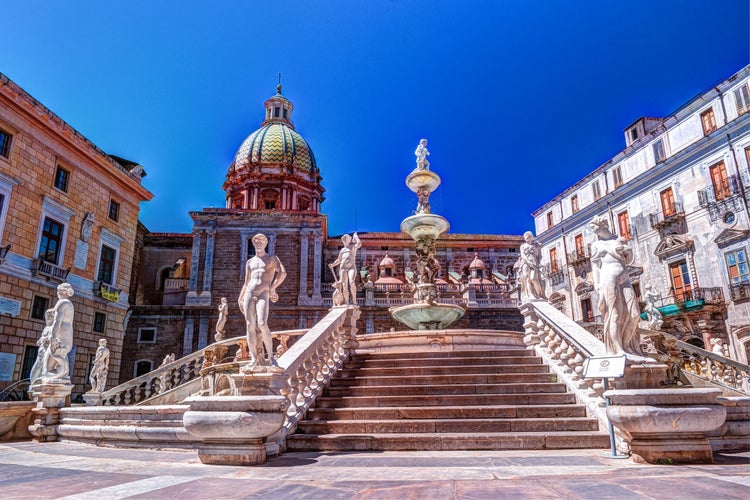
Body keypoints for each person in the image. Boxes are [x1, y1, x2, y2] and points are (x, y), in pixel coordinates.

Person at [589, 216, 649, 361]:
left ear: (602, 225)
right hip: (608, 277)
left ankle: (628, 346)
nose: (593, 231)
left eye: (594, 227)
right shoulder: (596, 245)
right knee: (615, 314)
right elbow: (595, 266)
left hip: (624, 277)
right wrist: (597, 284)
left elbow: (629, 260)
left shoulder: (619, 240)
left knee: (634, 314)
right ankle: (618, 350)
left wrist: (628, 251)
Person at [238, 233, 287, 366]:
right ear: (253, 243)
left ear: (266, 243)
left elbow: (282, 273)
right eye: (256, 241)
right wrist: (240, 298)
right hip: (249, 293)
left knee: (261, 323)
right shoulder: (250, 262)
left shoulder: (272, 259)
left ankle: (271, 357)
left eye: (262, 241)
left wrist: (272, 288)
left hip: (263, 292)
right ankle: (254, 358)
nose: (259, 243)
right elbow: (246, 282)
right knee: (250, 325)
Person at [39, 283, 76, 381]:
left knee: (46, 372)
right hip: (67, 338)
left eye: (58, 290)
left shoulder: (62, 302)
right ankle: (62, 378)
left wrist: (53, 337)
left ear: (62, 291)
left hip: (59, 338)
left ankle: (53, 387)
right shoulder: (70, 304)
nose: (57, 292)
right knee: (58, 366)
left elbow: (57, 321)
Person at [329, 232, 361, 305]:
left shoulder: (352, 247)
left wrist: (356, 237)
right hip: (342, 268)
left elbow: (359, 244)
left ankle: (354, 300)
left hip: (351, 267)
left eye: (346, 238)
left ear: (349, 240)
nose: (345, 240)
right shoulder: (342, 250)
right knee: (344, 285)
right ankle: (346, 302)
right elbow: (339, 260)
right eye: (344, 239)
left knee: (352, 282)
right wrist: (333, 264)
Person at [29, 309, 54, 383]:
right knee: (36, 369)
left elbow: (54, 340)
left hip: (47, 353)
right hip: (41, 351)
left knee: (44, 369)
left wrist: (46, 340)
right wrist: (39, 341)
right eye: (46, 316)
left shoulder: (54, 328)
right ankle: (33, 384)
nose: (47, 318)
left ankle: (40, 383)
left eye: (49, 316)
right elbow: (40, 340)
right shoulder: (46, 328)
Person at [518, 231, 545, 302]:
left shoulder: (535, 245)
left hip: (534, 263)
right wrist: (527, 261)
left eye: (527, 236)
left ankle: (539, 294)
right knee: (527, 279)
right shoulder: (522, 246)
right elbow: (522, 255)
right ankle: (530, 295)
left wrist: (540, 263)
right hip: (525, 263)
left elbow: (539, 255)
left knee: (534, 278)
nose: (526, 238)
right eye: (525, 237)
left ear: (531, 237)